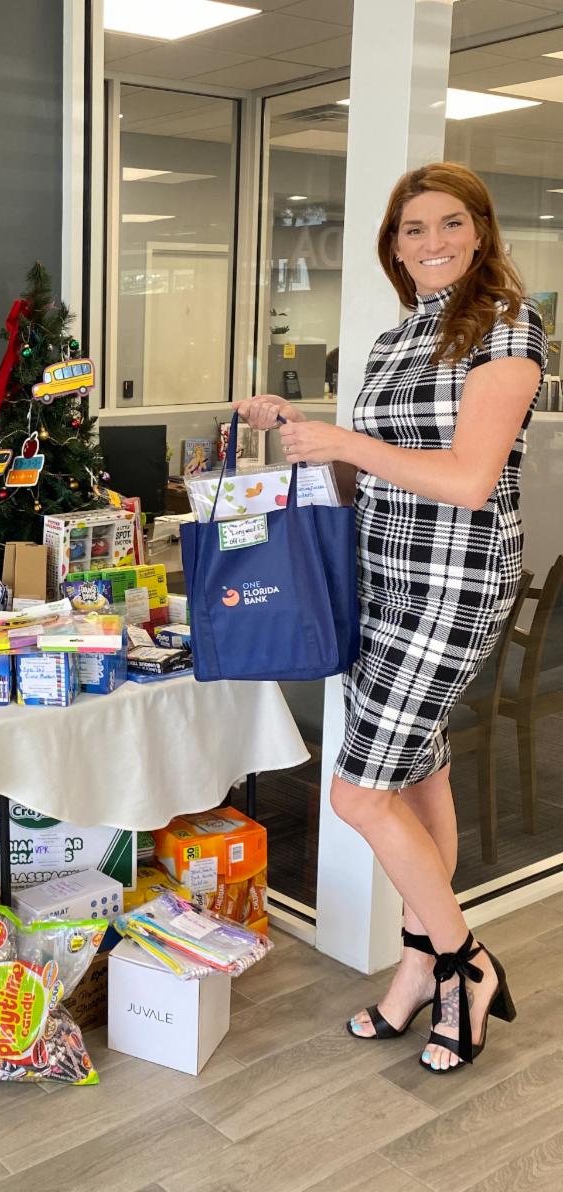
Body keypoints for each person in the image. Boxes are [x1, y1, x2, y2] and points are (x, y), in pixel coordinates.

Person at [237, 162, 546, 1073]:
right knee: (418, 778)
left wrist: (345, 440)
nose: (433, 242)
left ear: (481, 233)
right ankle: (419, 971)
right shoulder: (395, 337)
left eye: (452, 223)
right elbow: (366, 471)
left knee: (358, 794)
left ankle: (467, 964)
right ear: (394, 245)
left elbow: (469, 480)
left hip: (453, 583)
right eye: (415, 228)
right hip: (378, 577)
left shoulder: (509, 328)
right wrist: (301, 431)